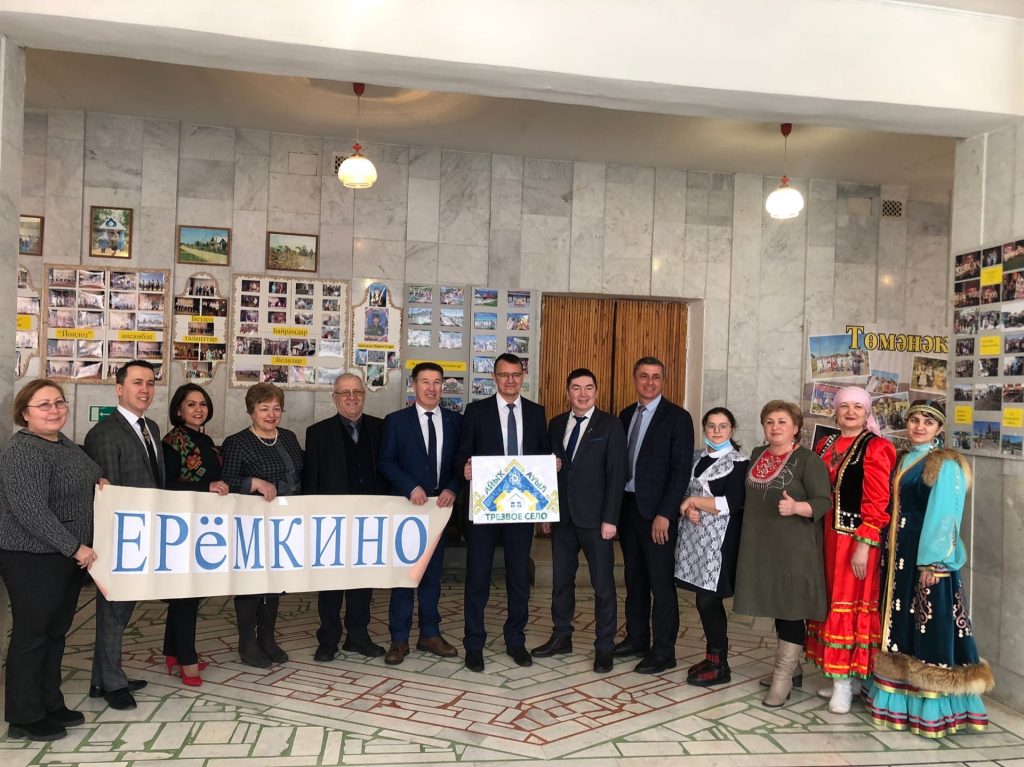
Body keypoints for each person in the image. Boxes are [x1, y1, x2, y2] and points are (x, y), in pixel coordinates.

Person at [867, 400, 994, 737]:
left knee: (929, 625)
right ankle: (899, 697)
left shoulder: (944, 462)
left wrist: (934, 562)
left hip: (925, 560)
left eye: (928, 422)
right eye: (914, 420)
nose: (919, 427)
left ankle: (933, 703)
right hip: (899, 558)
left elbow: (945, 514)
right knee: (902, 627)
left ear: (939, 428)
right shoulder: (903, 458)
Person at [0, 380, 103, 741]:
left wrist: (100, 481)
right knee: (32, 636)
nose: (54, 410)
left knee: (55, 633)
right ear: (24, 413)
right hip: (32, 556)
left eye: (58, 402)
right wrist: (75, 547)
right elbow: (31, 511)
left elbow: (85, 472)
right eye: (43, 405)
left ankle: (50, 702)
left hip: (62, 555)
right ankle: (24, 717)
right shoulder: (22, 451)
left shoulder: (61, 442)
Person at [733, 400, 831, 708]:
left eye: (782, 422)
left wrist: (798, 507)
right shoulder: (757, 455)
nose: (775, 427)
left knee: (790, 607)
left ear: (796, 427)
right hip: (762, 546)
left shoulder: (808, 460)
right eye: (769, 422)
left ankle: (783, 677)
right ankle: (794, 668)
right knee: (777, 603)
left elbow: (824, 500)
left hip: (794, 548)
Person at [456, 353, 549, 672]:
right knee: (478, 577)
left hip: (521, 511)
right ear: (494, 377)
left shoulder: (536, 413)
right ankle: (474, 643)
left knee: (519, 577)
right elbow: (463, 452)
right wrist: (465, 467)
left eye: (516, 375)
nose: (510, 380)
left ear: (523, 376)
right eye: (504, 375)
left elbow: (542, 457)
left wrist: (551, 467)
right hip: (485, 508)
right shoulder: (476, 411)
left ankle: (515, 640)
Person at [806, 387, 896, 713]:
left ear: (867, 412)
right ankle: (842, 678)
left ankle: (845, 684)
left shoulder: (877, 447)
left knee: (849, 604)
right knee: (828, 603)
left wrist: (864, 544)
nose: (850, 412)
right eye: (844, 406)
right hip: (825, 536)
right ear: (835, 410)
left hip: (854, 540)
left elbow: (878, 500)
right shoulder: (825, 443)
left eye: (858, 406)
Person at [532, 368, 627, 673]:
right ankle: (561, 636)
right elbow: (548, 472)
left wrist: (611, 519)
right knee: (561, 582)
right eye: (576, 388)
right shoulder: (557, 423)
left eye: (588, 388)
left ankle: (604, 646)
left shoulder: (610, 425)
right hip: (562, 518)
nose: (582, 394)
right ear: (568, 392)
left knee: (603, 586)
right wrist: (546, 513)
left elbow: (617, 474)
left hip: (597, 520)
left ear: (596, 392)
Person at [84, 359, 163, 711]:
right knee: (112, 610)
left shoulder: (152, 428)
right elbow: (108, 495)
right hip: (119, 536)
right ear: (119, 389)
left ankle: (102, 677)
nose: (144, 389)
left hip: (144, 531)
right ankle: (113, 684)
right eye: (136, 383)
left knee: (123, 607)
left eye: (150, 383)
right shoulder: (103, 433)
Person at [378, 362, 462, 665]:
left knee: (432, 576)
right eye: (425, 382)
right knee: (405, 575)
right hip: (407, 508)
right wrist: (410, 486)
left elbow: (462, 462)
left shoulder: (456, 421)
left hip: (439, 509)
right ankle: (399, 639)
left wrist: (453, 487)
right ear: (414, 385)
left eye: (437, 382)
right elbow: (386, 461)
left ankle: (430, 633)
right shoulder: (396, 421)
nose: (431, 388)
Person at [616, 356, 694, 674]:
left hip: (658, 514)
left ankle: (664, 651)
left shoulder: (678, 418)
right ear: (635, 379)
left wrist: (665, 514)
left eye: (656, 377)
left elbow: (680, 470)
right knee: (634, 580)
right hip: (628, 509)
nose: (650, 382)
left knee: (660, 584)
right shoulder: (625, 416)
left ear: (664, 381)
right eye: (644, 376)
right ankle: (637, 639)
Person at [303, 373, 387, 662]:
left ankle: (357, 635)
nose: (352, 398)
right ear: (334, 397)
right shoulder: (317, 433)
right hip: (330, 523)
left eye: (357, 392)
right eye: (345, 393)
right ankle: (328, 638)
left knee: (363, 580)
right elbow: (311, 480)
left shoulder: (381, 428)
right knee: (330, 582)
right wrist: (311, 521)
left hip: (371, 522)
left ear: (364, 395)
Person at [222, 382, 304, 668]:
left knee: (275, 582)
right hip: (250, 525)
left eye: (276, 408)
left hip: (284, 523)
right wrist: (254, 482)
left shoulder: (289, 437)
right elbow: (225, 482)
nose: (271, 414)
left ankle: (267, 638)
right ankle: (247, 642)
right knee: (251, 582)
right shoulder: (237, 442)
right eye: (264, 408)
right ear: (251, 411)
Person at [161, 383, 230, 686]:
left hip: (204, 524)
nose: (198, 409)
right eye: (191, 404)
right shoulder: (172, 442)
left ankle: (172, 651)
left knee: (189, 591)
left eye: (202, 404)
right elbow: (167, 486)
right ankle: (187, 658)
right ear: (179, 410)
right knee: (185, 593)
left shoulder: (204, 439)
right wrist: (207, 487)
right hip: (182, 525)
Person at [675, 407, 747, 686]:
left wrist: (693, 503)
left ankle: (720, 665)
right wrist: (688, 508)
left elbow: (732, 503)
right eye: (711, 426)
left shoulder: (739, 462)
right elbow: (685, 493)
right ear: (704, 428)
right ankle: (712, 657)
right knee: (701, 599)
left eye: (723, 426)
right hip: (695, 539)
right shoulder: (696, 458)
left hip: (720, 540)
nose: (717, 431)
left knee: (709, 599)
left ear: (732, 429)